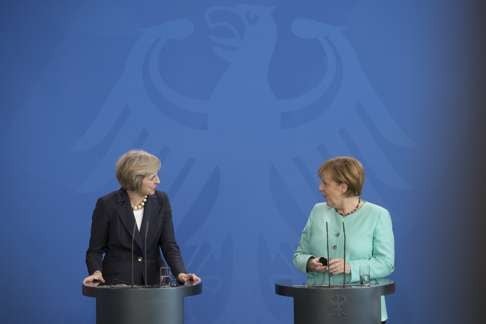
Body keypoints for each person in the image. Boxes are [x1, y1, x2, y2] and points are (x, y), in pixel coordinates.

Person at [293, 156, 394, 323]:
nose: (320, 188)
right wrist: (310, 262)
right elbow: (299, 255)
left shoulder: (378, 215)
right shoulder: (317, 211)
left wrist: (350, 267)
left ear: (343, 187)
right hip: (318, 311)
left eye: (325, 183)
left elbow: (386, 263)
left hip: (365, 311)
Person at [83, 150, 200, 286]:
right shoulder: (107, 204)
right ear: (136, 178)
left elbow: (169, 245)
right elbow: (94, 251)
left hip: (155, 286)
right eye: (152, 177)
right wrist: (96, 272)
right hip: (117, 287)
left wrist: (181, 273)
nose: (158, 181)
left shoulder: (162, 200)